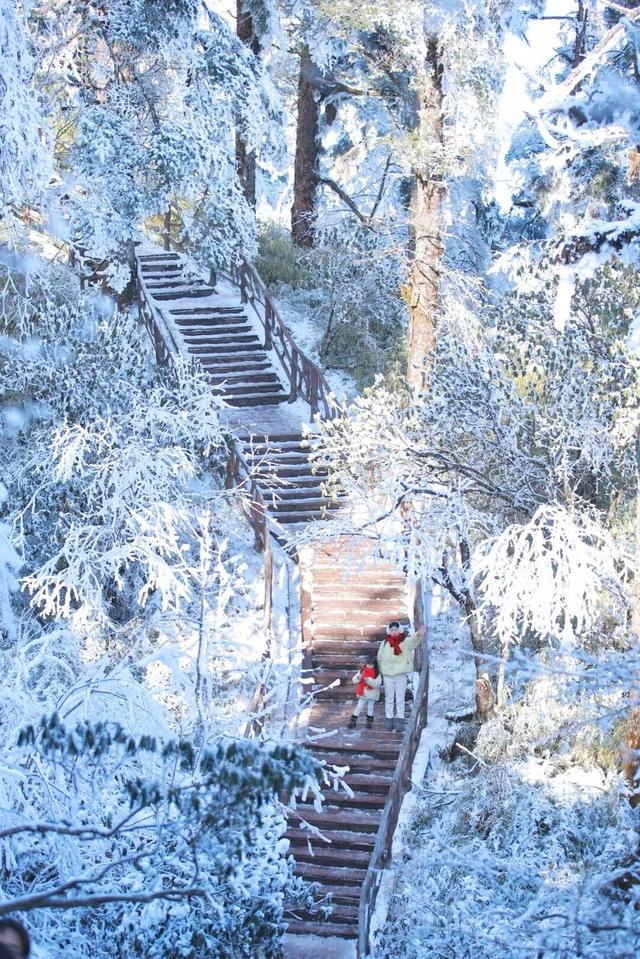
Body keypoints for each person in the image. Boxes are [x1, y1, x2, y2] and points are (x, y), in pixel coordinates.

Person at [378, 621, 425, 732]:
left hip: (400, 675)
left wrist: (419, 633)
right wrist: (381, 671)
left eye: (396, 629)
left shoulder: (405, 642)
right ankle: (389, 719)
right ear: (389, 631)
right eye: (392, 629)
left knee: (399, 698)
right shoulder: (384, 643)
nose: (394, 631)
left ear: (399, 630)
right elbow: (379, 658)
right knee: (389, 698)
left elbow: (413, 640)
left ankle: (399, 719)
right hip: (388, 675)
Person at [348, 657, 382, 729]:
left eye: (371, 664)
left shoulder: (377, 673)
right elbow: (354, 680)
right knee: (359, 707)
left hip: (372, 694)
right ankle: (353, 720)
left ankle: (369, 721)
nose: (369, 666)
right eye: (368, 664)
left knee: (370, 708)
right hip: (363, 694)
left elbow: (377, 684)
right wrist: (359, 677)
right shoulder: (362, 671)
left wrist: (368, 680)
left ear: (375, 665)